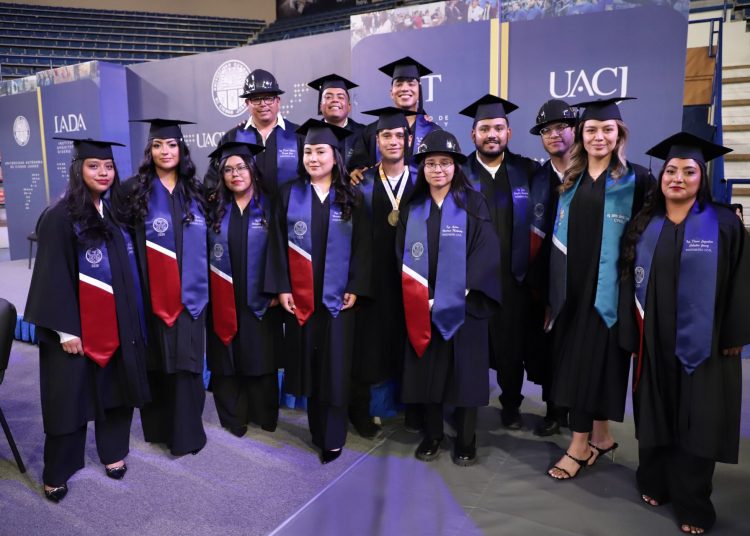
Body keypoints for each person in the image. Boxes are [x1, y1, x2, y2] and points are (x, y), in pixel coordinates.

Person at [619, 132, 748, 535]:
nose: (677, 178)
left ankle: (693, 502)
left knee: (698, 420)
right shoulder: (645, 224)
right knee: (654, 411)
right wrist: (631, 333)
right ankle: (654, 480)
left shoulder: (724, 223)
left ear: (701, 178)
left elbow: (742, 281)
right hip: (653, 338)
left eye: (688, 171)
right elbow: (628, 281)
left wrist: (734, 334)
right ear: (661, 177)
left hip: (705, 343)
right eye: (671, 171)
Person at [25, 138, 150, 502]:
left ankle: (113, 452)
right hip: (74, 329)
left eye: (108, 167)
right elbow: (51, 276)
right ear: (78, 169)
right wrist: (65, 330)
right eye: (94, 166)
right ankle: (58, 471)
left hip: (116, 324)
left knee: (117, 390)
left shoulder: (114, 213)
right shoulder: (59, 216)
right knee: (69, 399)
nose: (103, 173)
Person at [546, 98, 653, 480]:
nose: (599, 137)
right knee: (585, 363)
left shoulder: (638, 179)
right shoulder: (571, 179)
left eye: (608, 130)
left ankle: (579, 446)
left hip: (610, 290)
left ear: (619, 134)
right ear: (581, 135)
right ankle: (600, 437)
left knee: (594, 365)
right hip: (573, 291)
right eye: (591, 130)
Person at [265, 119, 372, 464]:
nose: (313, 158)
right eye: (308, 151)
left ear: (335, 155)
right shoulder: (289, 194)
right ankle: (316, 428)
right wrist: (282, 287)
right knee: (310, 364)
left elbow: (363, 247)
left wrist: (355, 285)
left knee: (336, 367)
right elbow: (277, 244)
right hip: (302, 297)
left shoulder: (352, 196)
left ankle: (333, 435)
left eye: (320, 151)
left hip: (339, 301)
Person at [397, 130, 500, 466]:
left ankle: (467, 439)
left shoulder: (474, 203)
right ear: (422, 168)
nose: (438, 169)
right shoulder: (414, 208)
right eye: (431, 163)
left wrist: (457, 291)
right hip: (423, 306)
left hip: (465, 306)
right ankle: (432, 435)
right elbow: (402, 255)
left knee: (465, 376)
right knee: (428, 374)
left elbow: (486, 250)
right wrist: (424, 295)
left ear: (456, 166)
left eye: (445, 163)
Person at [125, 118, 209, 457]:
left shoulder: (195, 190)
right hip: (152, 294)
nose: (165, 151)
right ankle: (160, 428)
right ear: (150, 151)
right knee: (157, 361)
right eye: (158, 145)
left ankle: (187, 434)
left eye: (171, 145)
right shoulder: (134, 190)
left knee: (187, 363)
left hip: (191, 296)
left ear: (181, 149)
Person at [458, 94, 542, 430]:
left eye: (498, 128)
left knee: (511, 347)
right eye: (484, 129)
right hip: (471, 279)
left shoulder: (527, 170)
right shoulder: (458, 172)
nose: (491, 134)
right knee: (470, 345)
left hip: (513, 277)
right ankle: (466, 407)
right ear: (473, 135)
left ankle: (511, 403)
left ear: (508, 132)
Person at [205, 136, 281, 437]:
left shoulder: (271, 206)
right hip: (222, 294)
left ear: (253, 170)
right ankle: (233, 415)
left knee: (261, 355)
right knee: (226, 357)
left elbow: (282, 252)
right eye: (228, 169)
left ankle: (264, 412)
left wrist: (276, 289)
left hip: (261, 295)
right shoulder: (213, 208)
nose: (235, 174)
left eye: (241, 167)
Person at [350, 107, 416, 438]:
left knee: (412, 343)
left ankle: (414, 408)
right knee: (371, 347)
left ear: (408, 140)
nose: (392, 141)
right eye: (386, 135)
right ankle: (369, 410)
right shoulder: (360, 184)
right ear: (376, 141)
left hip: (412, 278)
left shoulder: (422, 180)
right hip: (373, 280)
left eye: (398, 135)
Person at [527, 98, 577, 436]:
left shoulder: (592, 175)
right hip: (545, 274)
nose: (554, 134)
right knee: (549, 344)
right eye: (547, 130)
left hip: (582, 273)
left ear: (575, 130)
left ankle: (581, 413)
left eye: (561, 127)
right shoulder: (537, 177)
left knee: (579, 346)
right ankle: (554, 410)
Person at [211, 69, 302, 198]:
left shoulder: (298, 135)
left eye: (268, 98)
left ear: (278, 101)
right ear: (247, 103)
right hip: (247, 210)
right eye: (256, 99)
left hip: (290, 209)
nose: (263, 104)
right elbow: (214, 181)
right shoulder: (232, 138)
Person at [348, 56, 441, 177]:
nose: (405, 88)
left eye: (411, 84)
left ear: (419, 92)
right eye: (399, 84)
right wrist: (356, 172)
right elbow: (358, 166)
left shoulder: (433, 131)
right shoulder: (371, 131)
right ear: (391, 93)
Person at [307, 73, 365, 168]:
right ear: (320, 106)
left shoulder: (364, 133)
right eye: (328, 97)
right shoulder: (307, 135)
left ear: (349, 106)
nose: (335, 100)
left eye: (340, 97)